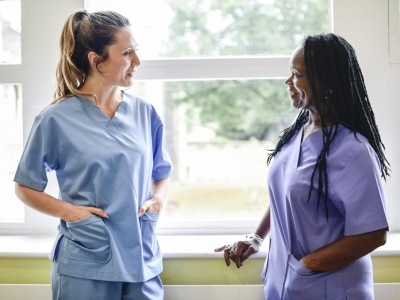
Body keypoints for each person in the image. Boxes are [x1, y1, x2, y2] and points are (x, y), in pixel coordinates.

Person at [215, 33, 390, 299]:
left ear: (327, 82)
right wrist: (257, 236)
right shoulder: (301, 130)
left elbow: (373, 235)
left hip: (328, 288)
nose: (288, 81)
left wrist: (306, 266)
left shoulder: (353, 151)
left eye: (297, 74)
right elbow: (286, 195)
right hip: (286, 283)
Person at [14, 10, 173, 300]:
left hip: (142, 260)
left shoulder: (144, 113)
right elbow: (25, 187)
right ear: (96, 60)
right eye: (127, 53)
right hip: (86, 263)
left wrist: (158, 200)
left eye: (135, 50)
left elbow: (161, 173)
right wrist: (69, 212)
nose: (137, 61)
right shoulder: (55, 120)